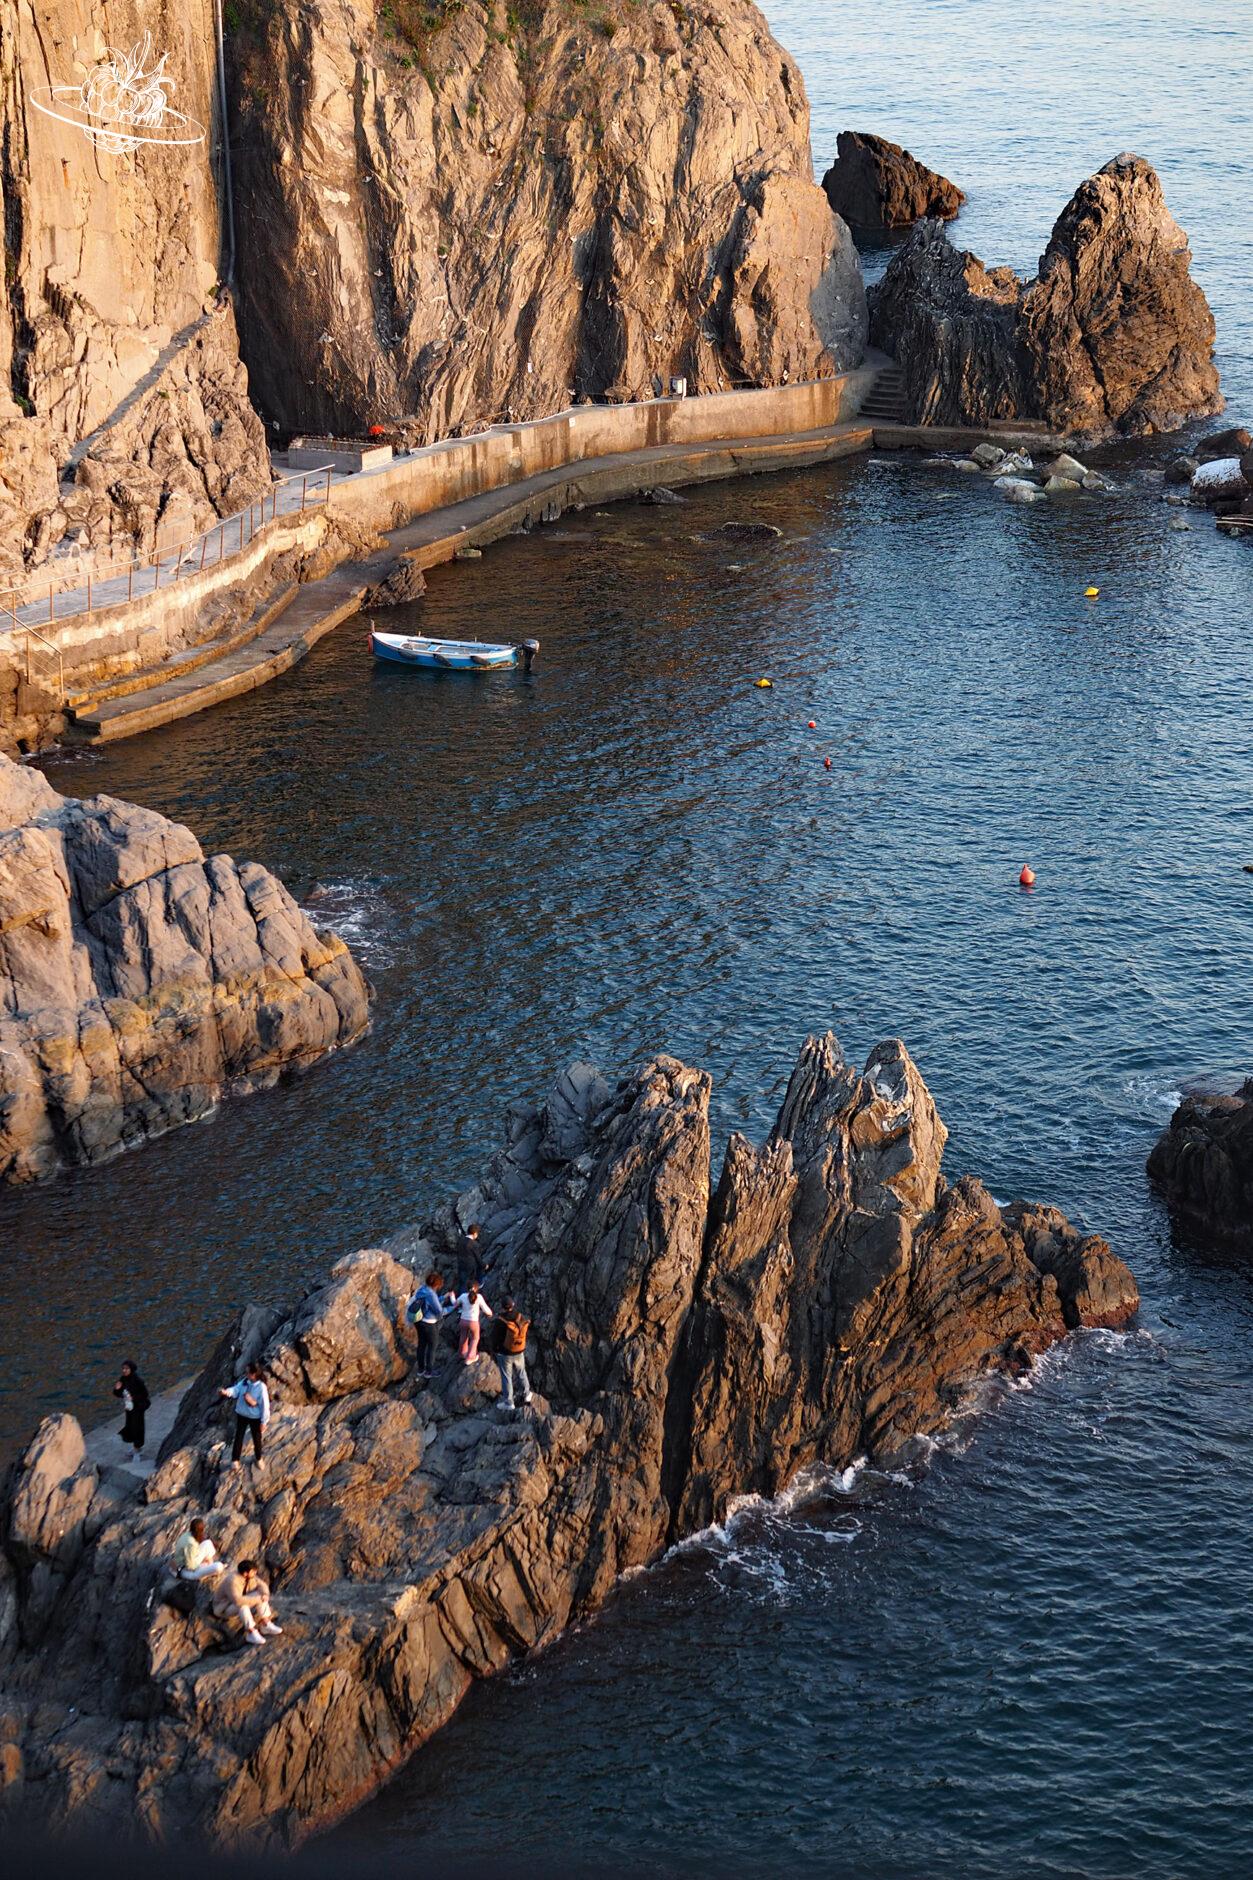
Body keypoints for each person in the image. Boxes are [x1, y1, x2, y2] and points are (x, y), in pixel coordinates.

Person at [212, 1557, 282, 1647]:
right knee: (243, 1606)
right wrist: (258, 1599)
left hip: (238, 1601)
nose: (255, 1573)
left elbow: (262, 1584)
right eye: (253, 1572)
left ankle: (265, 1623)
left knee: (260, 1595)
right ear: (245, 1573)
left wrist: (265, 1594)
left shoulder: (250, 1576)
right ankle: (251, 1632)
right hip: (224, 1608)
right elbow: (238, 1600)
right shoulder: (232, 1581)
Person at [219, 1362, 270, 1468]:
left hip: (254, 1417)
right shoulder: (245, 1382)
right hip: (242, 1414)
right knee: (238, 1437)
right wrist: (226, 1392)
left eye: (247, 1372)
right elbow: (235, 1390)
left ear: (254, 1374)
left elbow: (265, 1405)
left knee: (257, 1439)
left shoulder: (261, 1387)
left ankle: (259, 1458)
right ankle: (235, 1460)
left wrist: (264, 1422)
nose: (245, 1374)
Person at [404, 1268, 449, 1381]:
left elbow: (430, 1302)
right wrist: (452, 1307)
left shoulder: (423, 1289)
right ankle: (429, 1371)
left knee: (422, 1345)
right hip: (429, 1324)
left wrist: (444, 1297)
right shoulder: (431, 1294)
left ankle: (420, 1369)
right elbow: (439, 1311)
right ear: (437, 1285)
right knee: (432, 1347)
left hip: (419, 1321)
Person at [494, 1297, 533, 1413]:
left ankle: (509, 1402)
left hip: (505, 1353)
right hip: (519, 1350)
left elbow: (495, 1337)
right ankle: (527, 1394)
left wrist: (495, 1349)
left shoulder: (501, 1320)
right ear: (513, 1304)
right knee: (522, 1372)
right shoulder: (520, 1317)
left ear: (503, 1307)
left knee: (507, 1377)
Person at [113, 1359, 151, 1461]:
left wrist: (133, 1398)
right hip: (129, 1408)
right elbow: (119, 1394)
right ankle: (135, 1448)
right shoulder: (123, 1379)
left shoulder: (138, 1381)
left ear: (131, 1369)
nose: (124, 1370)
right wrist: (117, 1389)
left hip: (138, 1408)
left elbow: (145, 1394)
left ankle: (137, 1450)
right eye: (123, 1368)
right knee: (130, 1427)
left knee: (137, 1427)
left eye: (126, 1368)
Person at [454, 1280, 492, 1364]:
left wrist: (452, 1297)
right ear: (476, 1288)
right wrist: (490, 1314)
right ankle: (470, 1357)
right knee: (475, 1338)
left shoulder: (463, 1296)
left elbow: (455, 1304)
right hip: (473, 1322)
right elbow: (486, 1309)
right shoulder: (479, 1297)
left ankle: (462, 1354)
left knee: (463, 1337)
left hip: (463, 1320)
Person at [174, 1517, 223, 1582]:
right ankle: (208, 1568)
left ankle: (209, 1566)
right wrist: (202, 1561)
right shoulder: (191, 1544)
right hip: (185, 1570)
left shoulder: (187, 1534)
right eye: (202, 1530)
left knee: (208, 1543)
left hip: (188, 1560)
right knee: (218, 1566)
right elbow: (191, 1566)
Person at [453, 1222, 489, 1292]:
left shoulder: (460, 1240)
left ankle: (461, 1298)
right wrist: (485, 1265)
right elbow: (478, 1259)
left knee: (462, 1284)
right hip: (470, 1267)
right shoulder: (474, 1244)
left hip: (461, 1264)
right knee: (479, 1270)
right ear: (475, 1234)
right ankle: (480, 1284)